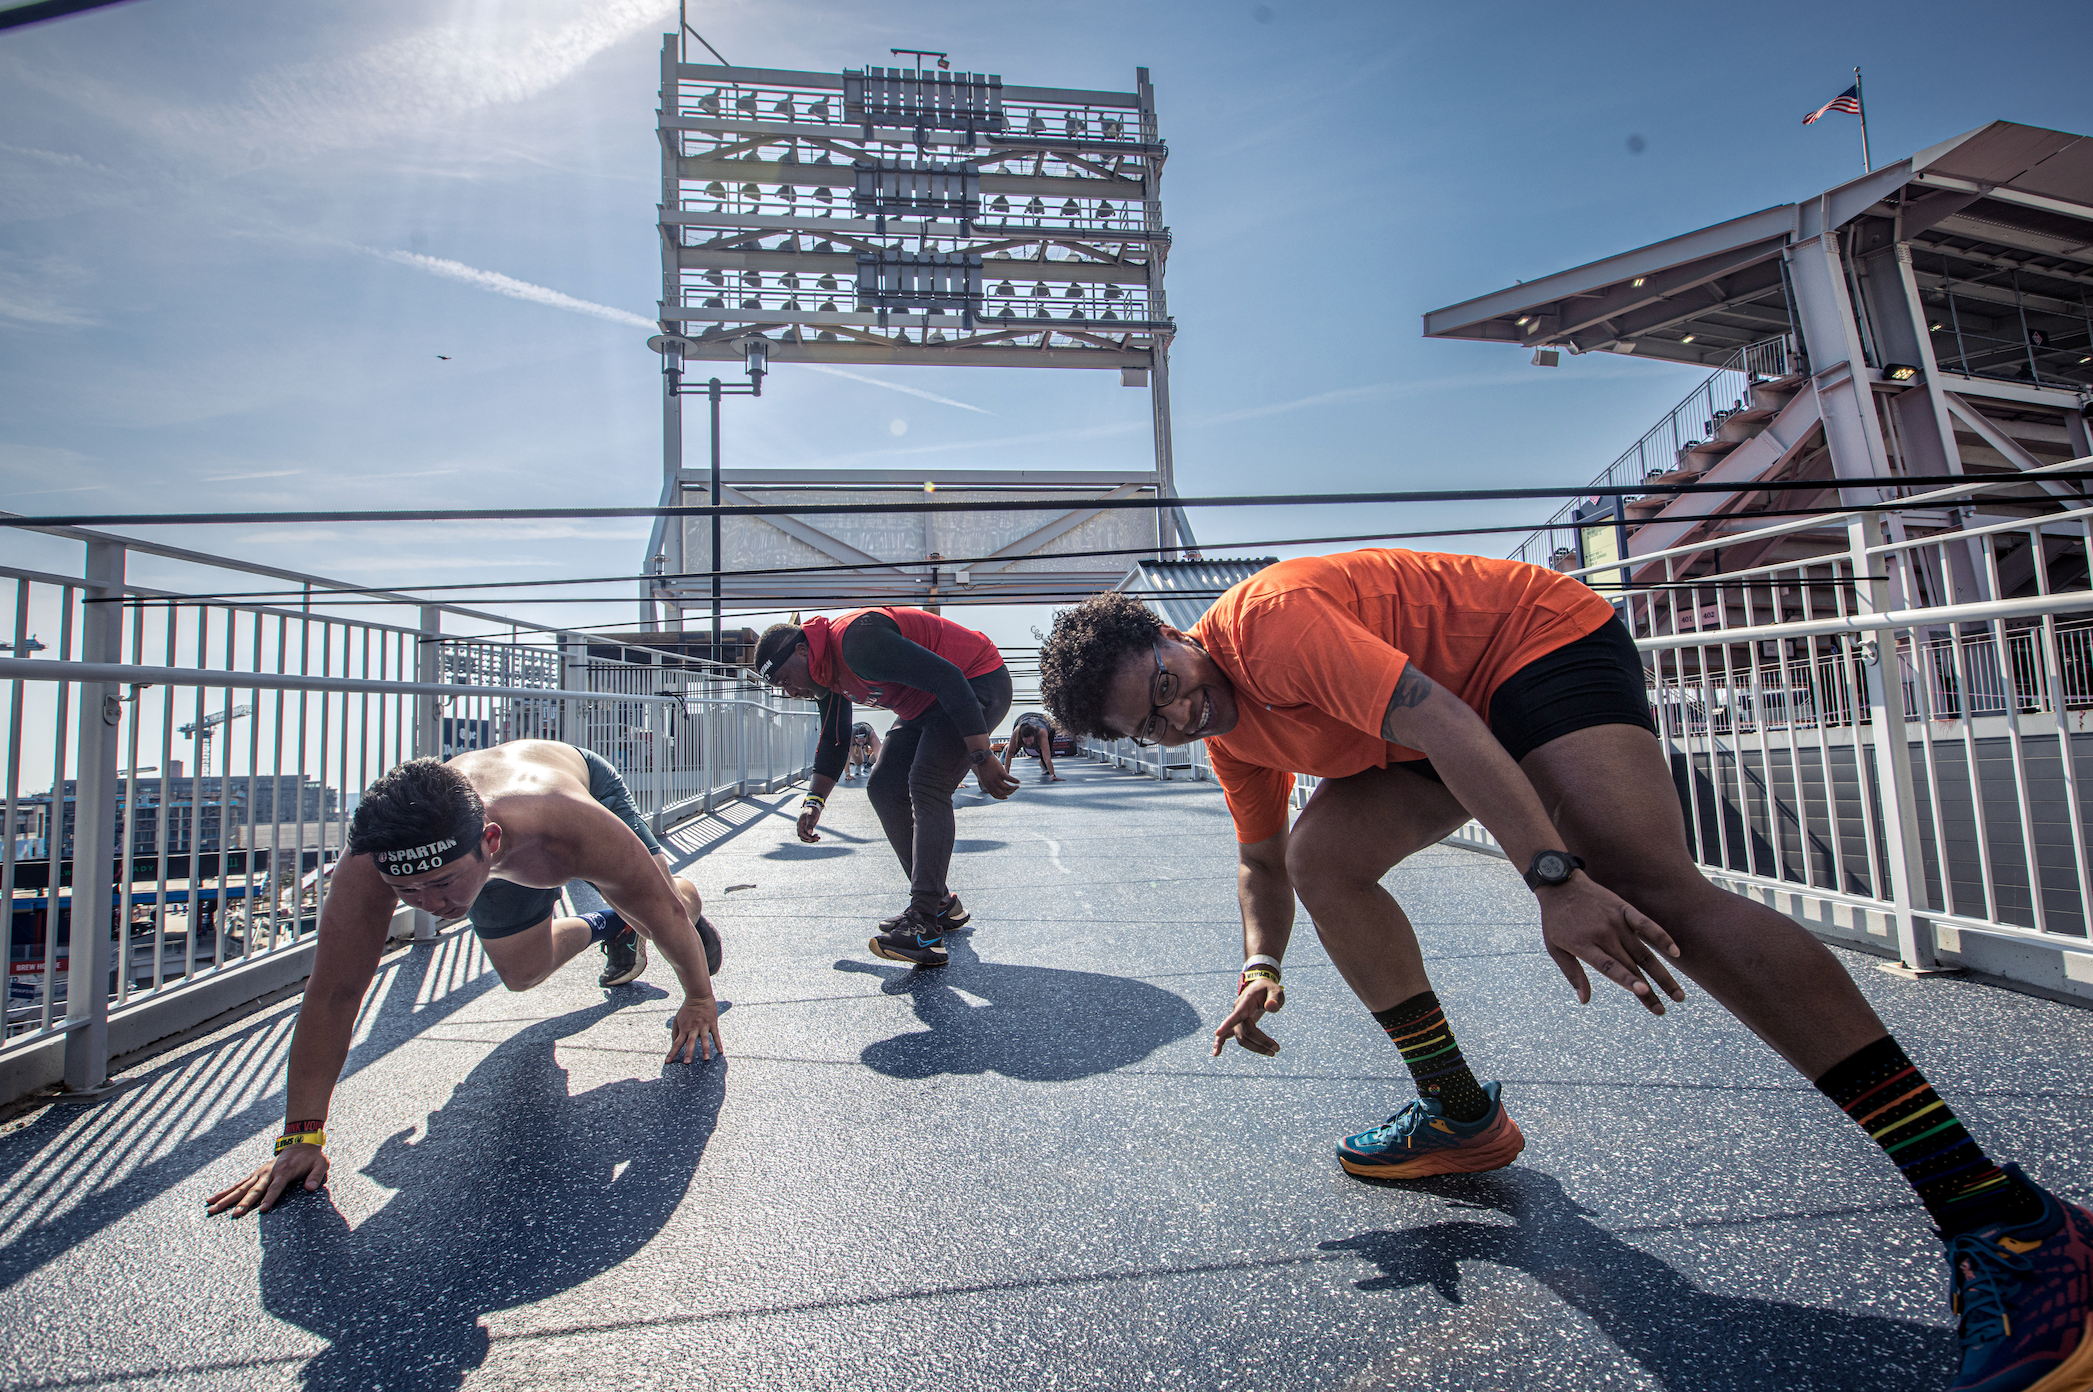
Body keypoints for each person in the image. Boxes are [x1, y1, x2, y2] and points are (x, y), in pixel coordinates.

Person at [1038, 549, 2093, 1392]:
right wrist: (1260, 965)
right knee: (1323, 857)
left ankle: (2000, 1216)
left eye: (1167, 687)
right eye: (1156, 725)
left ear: (1172, 635)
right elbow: (1262, 861)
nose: (1183, 717)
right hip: (1438, 717)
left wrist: (1553, 878)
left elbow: (1443, 720)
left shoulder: (1268, 622)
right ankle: (1457, 1113)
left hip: (1528, 644)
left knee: (1640, 879)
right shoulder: (1233, 735)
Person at [205, 741, 725, 1218]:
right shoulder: (374, 862)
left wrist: (698, 999)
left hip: (568, 788)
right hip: (478, 841)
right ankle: (608, 923)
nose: (431, 907)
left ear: (490, 843)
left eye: (441, 885)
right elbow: (334, 993)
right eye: (406, 891)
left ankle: (635, 915)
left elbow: (665, 916)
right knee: (523, 973)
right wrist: (300, 1136)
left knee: (663, 909)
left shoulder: (570, 825)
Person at [754, 608, 1018, 967]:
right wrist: (814, 800)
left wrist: (981, 755)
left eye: (784, 681)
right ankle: (940, 904)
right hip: (924, 703)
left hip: (977, 682)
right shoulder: (826, 675)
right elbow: (835, 738)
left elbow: (949, 678)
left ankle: (923, 925)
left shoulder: (855, 643)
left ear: (802, 651)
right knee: (882, 786)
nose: (789, 692)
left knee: (927, 784)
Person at [1002, 711, 1064, 783]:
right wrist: (1006, 774)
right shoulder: (1017, 732)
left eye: (1030, 741)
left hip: (1044, 720)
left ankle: (1043, 764)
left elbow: (1047, 758)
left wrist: (1053, 775)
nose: (1028, 744)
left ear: (1034, 736)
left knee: (1045, 752)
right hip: (1023, 718)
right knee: (1013, 749)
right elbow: (1010, 754)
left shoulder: (1041, 733)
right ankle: (1005, 748)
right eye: (1026, 741)